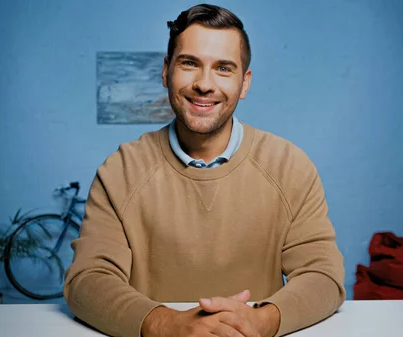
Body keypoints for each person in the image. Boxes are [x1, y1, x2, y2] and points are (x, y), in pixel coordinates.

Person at [63, 3, 345, 337]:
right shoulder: (120, 171)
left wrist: (261, 321)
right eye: (189, 64)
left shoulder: (290, 167)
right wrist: (167, 324)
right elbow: (87, 281)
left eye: (224, 68)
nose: (204, 84)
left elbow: (323, 276)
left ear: (244, 83)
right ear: (166, 71)